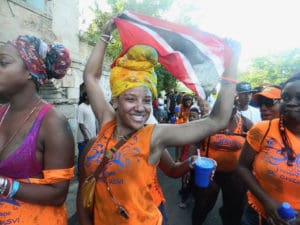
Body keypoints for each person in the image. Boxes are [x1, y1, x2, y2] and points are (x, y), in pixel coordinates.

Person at [76, 18, 240, 225]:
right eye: (130, 99)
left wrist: (231, 64)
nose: (140, 107)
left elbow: (217, 120)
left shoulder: (154, 135)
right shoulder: (107, 122)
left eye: (146, 100)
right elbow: (90, 77)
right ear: (115, 101)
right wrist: (106, 33)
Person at [0, 35, 75, 224]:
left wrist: (3, 185)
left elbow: (57, 194)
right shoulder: (2, 113)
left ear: (29, 70)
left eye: (3, 63)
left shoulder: (52, 122)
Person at [237, 73, 300, 225]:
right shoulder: (262, 129)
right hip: (257, 215)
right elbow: (242, 166)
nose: (291, 103)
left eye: (299, 97)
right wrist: (267, 201)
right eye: (286, 97)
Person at [192, 103, 253, 225]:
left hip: (234, 174)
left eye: (229, 109)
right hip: (208, 173)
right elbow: (195, 143)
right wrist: (191, 165)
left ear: (235, 109)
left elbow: (255, 145)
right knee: (203, 205)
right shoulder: (207, 121)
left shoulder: (246, 124)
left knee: (233, 209)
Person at [77, 91, 97, 168]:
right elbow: (80, 123)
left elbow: (93, 121)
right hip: (84, 138)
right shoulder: (81, 107)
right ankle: (80, 173)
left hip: (92, 137)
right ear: (86, 97)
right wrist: (86, 136)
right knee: (82, 156)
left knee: (90, 156)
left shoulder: (91, 106)